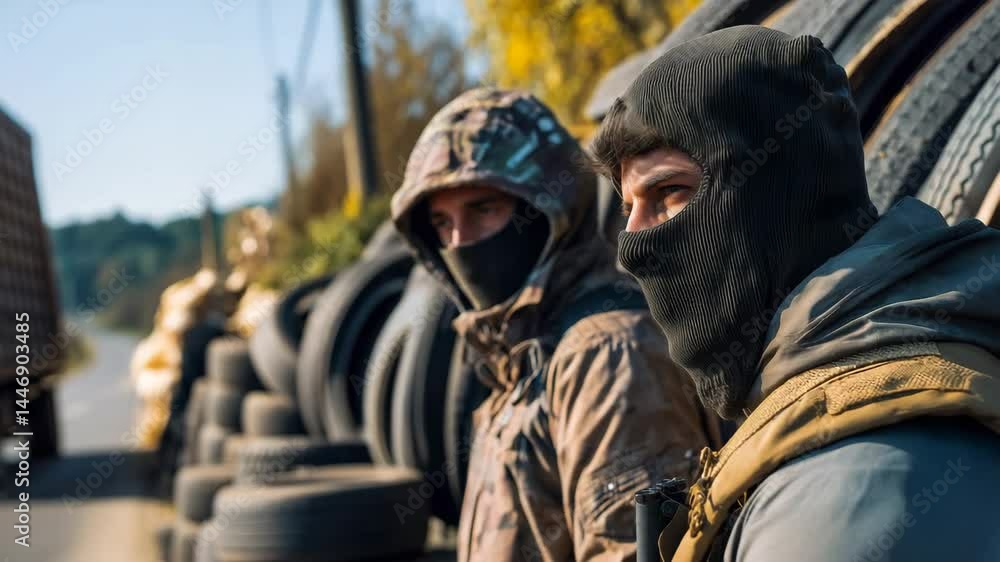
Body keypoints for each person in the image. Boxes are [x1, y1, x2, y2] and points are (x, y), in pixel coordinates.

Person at [590, 25, 1000, 562]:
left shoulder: (844, 489)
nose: (632, 247)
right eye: (628, 209)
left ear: (778, 195)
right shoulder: (823, 396)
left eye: (670, 191)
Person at [392, 88, 720, 561]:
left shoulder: (607, 356)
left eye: (483, 210)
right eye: (442, 223)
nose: (460, 242)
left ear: (546, 210)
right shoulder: (518, 354)